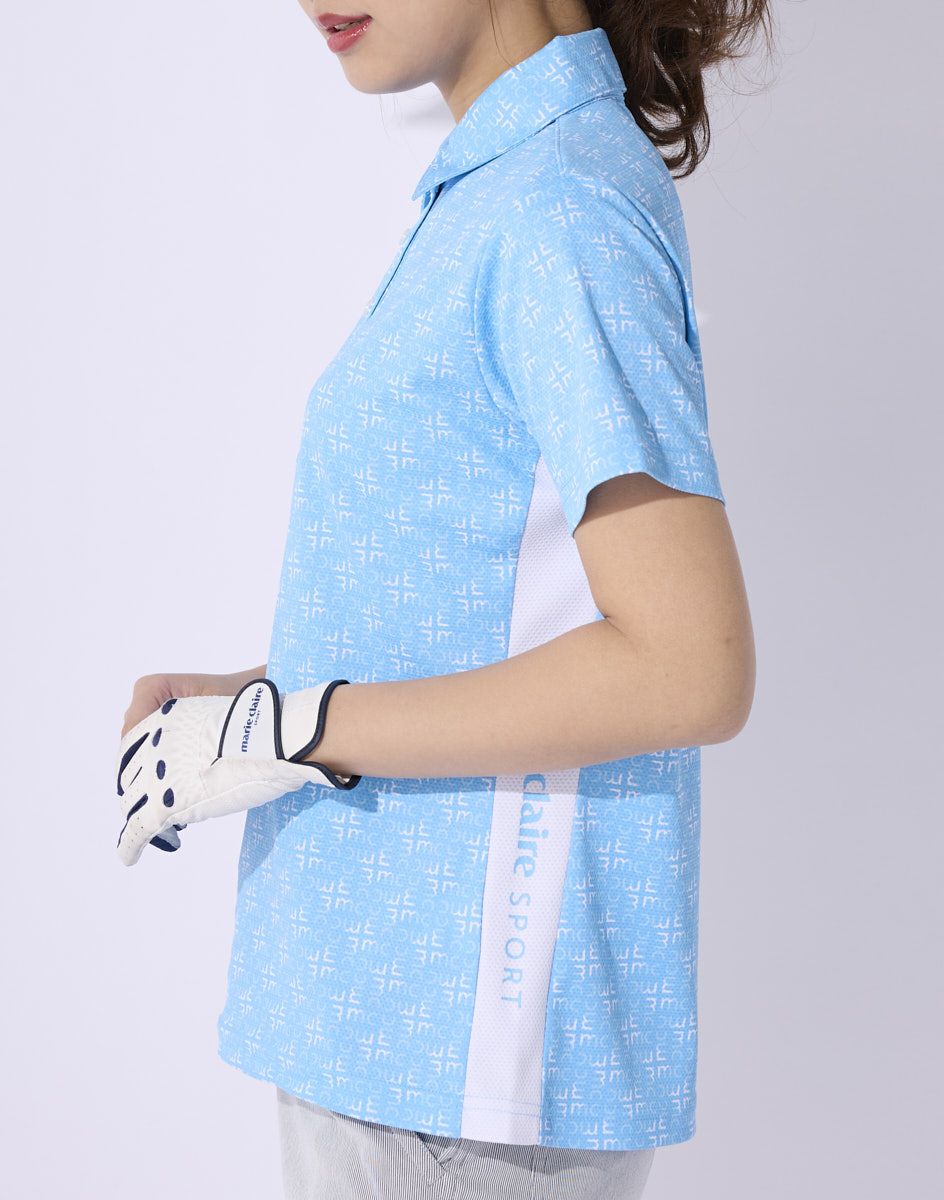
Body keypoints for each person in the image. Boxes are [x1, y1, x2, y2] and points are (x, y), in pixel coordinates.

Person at [117, 1, 772, 1196]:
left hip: (453, 1077)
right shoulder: (506, 191)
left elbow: (688, 665)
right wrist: (256, 700)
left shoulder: (558, 210)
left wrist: (291, 730)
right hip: (397, 1048)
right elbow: (497, 602)